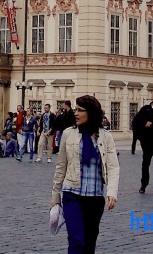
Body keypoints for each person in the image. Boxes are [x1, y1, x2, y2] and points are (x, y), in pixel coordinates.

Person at [50, 95, 119, 254]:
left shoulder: (105, 137)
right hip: (72, 194)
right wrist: (55, 196)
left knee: (89, 242)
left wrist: (112, 193)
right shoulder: (68, 134)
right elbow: (61, 166)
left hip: (95, 198)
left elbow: (113, 166)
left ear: (91, 113)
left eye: (80, 110)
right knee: (76, 240)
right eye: (75, 109)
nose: (76, 113)